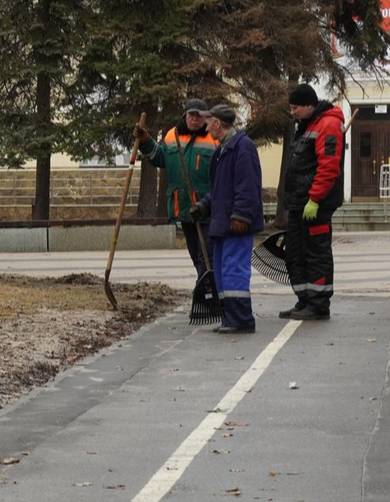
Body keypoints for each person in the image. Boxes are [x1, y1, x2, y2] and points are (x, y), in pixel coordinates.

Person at [190, 105, 263, 334]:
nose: (205, 125)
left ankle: (241, 319)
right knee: (223, 273)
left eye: (208, 121)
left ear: (218, 124)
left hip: (235, 225)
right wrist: (203, 205)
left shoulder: (243, 148)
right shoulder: (222, 151)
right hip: (222, 225)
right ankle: (229, 317)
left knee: (234, 272)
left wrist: (241, 216)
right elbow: (220, 190)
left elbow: (248, 187)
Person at [280, 83, 344, 321]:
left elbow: (328, 167)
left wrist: (315, 198)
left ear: (309, 105)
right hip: (299, 202)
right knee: (295, 253)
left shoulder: (327, 125)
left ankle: (318, 305)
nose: (292, 112)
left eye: (296, 107)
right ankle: (305, 300)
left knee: (316, 253)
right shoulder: (308, 125)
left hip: (315, 203)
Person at [134, 98, 218, 277]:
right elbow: (159, 157)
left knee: (208, 256)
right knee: (196, 255)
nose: (195, 119)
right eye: (191, 115)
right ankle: (206, 287)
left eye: (199, 116)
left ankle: (208, 291)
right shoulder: (173, 135)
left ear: (206, 118)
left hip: (208, 209)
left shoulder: (214, 137)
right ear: (185, 116)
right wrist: (145, 141)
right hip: (185, 208)